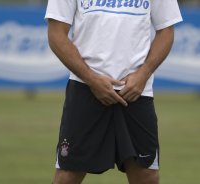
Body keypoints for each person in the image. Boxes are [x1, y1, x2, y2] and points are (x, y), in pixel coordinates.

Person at [45, 0, 182, 183]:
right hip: (85, 88)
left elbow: (166, 31)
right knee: (67, 176)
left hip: (136, 90)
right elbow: (56, 34)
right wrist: (91, 79)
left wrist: (144, 74)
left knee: (147, 176)